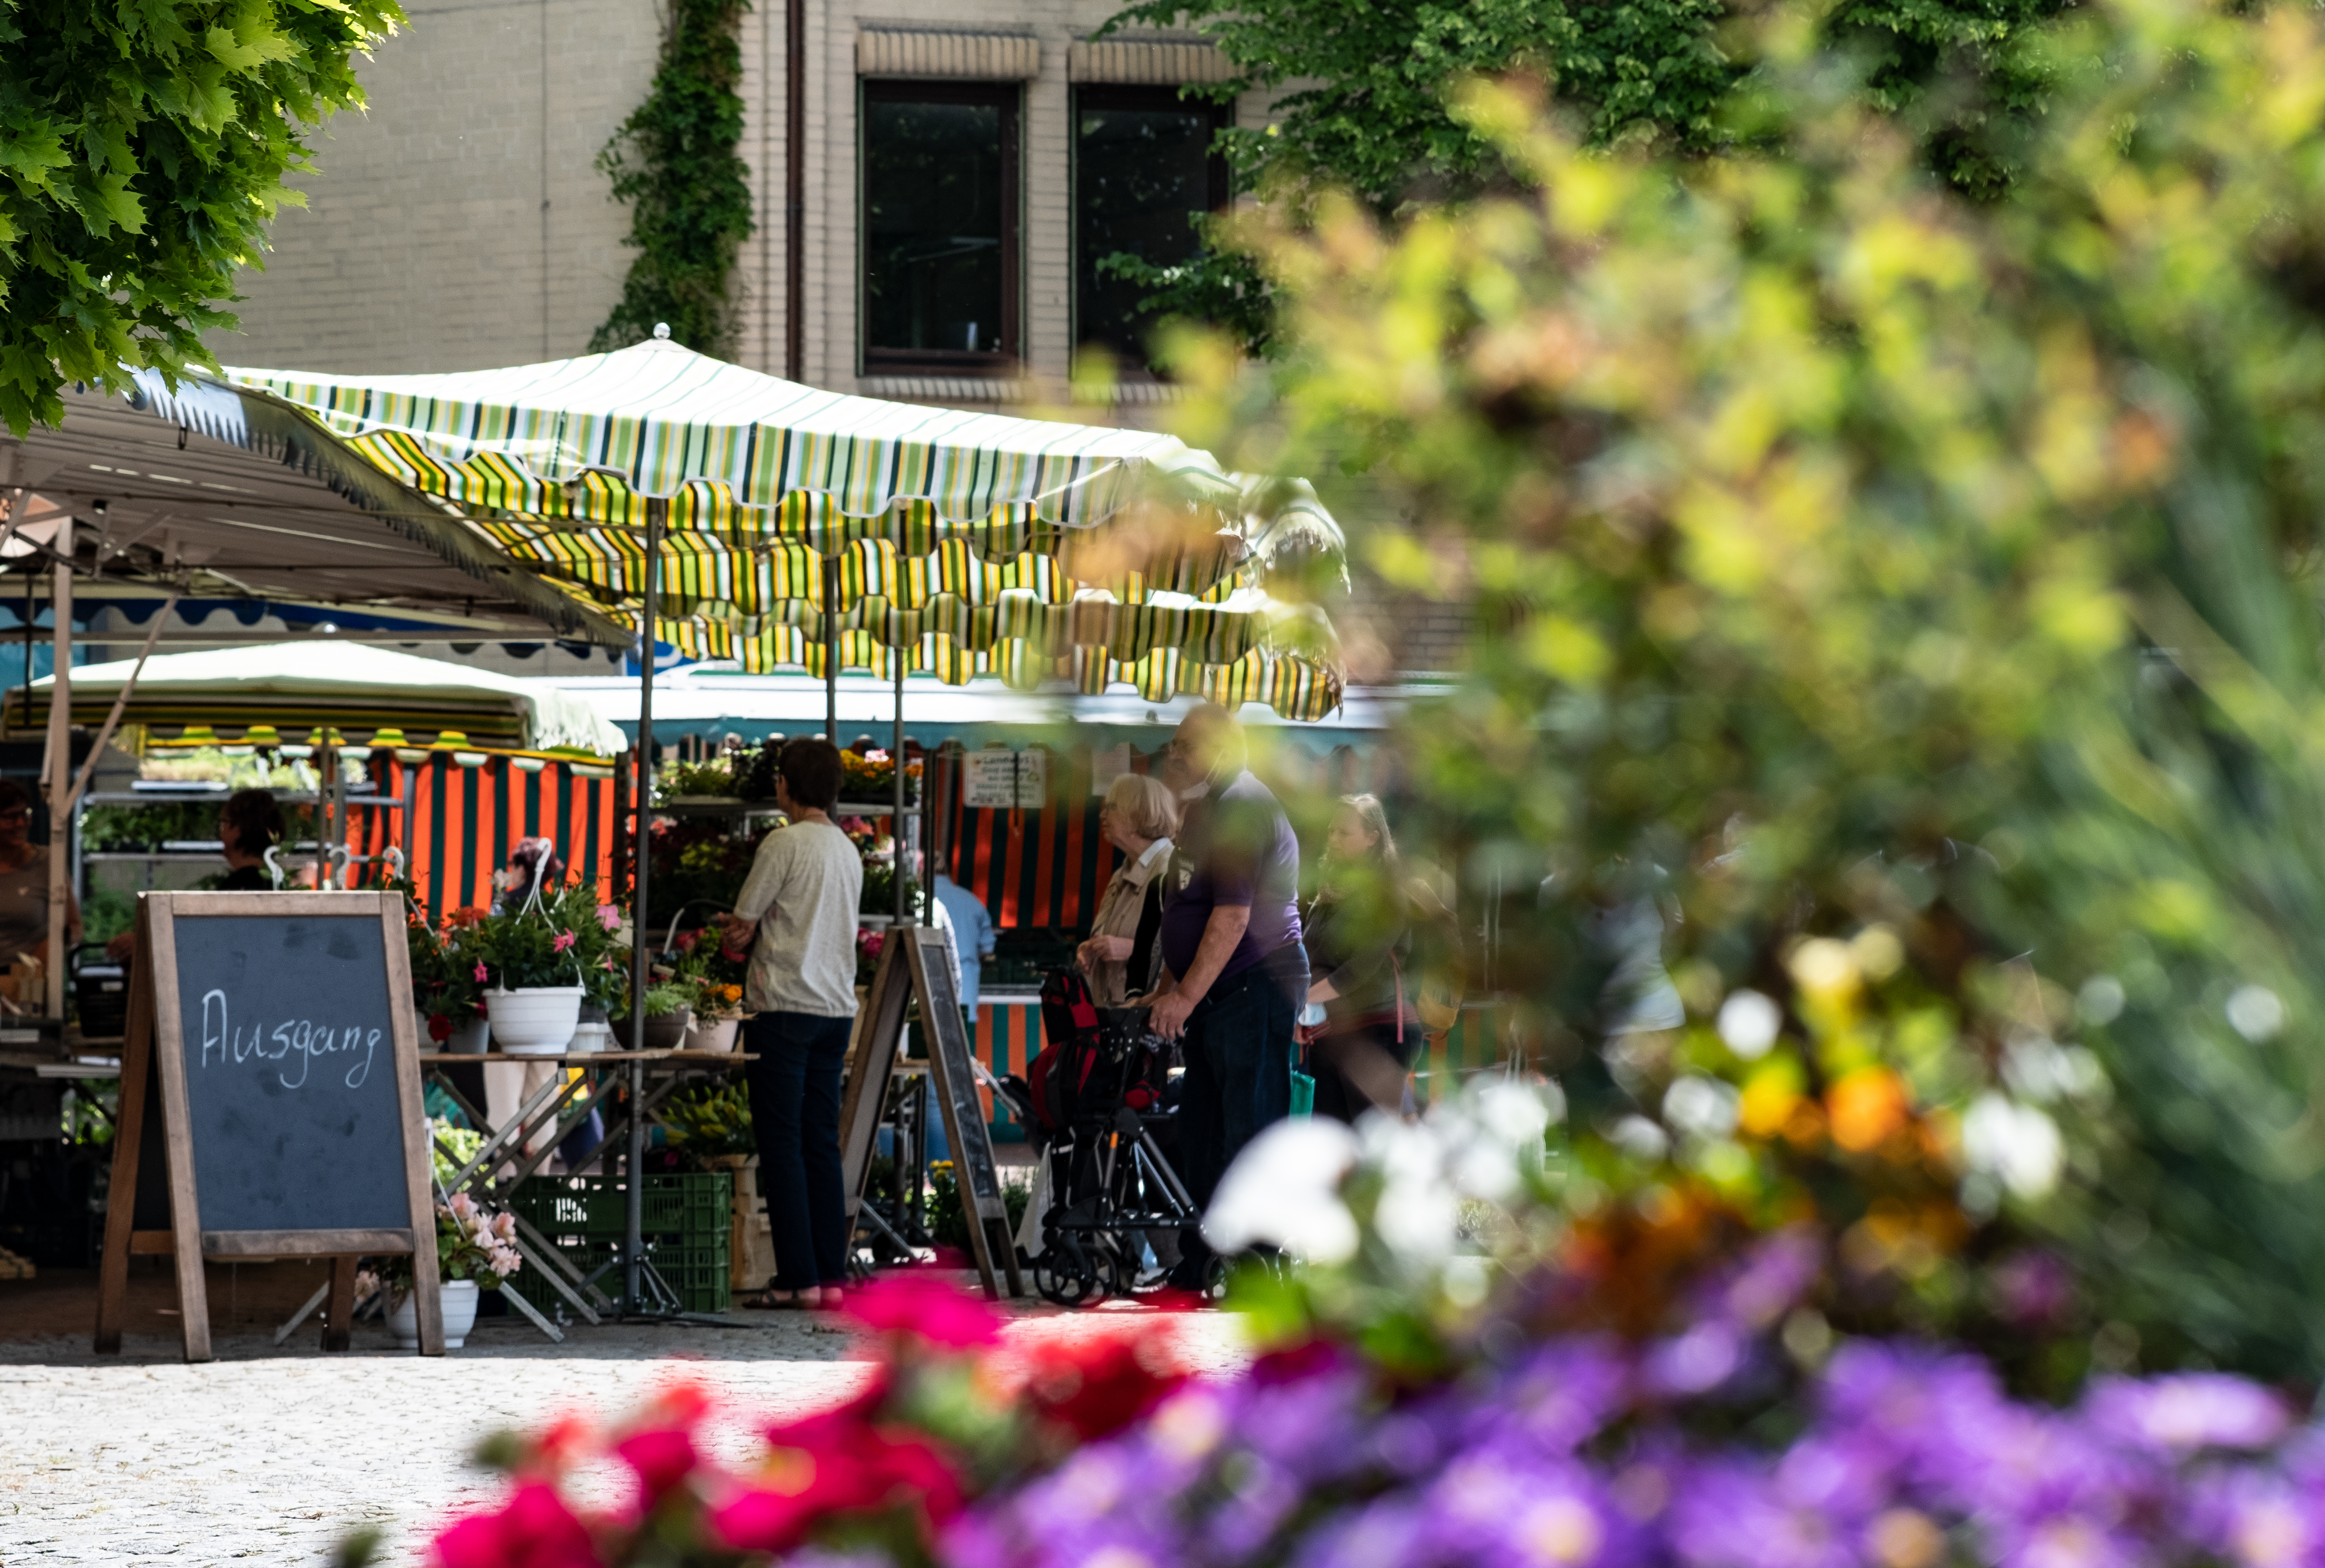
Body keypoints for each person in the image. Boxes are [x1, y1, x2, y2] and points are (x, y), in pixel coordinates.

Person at [1144, 703, 1305, 1288]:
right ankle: (1203, 1261)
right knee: (1202, 1130)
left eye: (1184, 744)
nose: (1173, 752)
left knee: (1250, 1127)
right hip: (1218, 992)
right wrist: (1167, 990)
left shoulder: (1242, 805)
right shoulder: (1204, 807)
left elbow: (1232, 917)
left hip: (1253, 982)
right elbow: (1182, 909)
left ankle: (1257, 1268)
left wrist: (1182, 998)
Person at [715, 739, 862, 1311]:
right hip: (835, 1011)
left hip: (782, 1006)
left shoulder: (783, 842)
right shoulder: (847, 849)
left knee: (782, 1143)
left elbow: (743, 925)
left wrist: (731, 928)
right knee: (820, 1142)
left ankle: (796, 1277)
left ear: (784, 784)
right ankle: (830, 1275)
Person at [1300, 795, 1420, 1123]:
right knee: (1333, 1142)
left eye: (1344, 833)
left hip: (1377, 1030)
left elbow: (1358, 971)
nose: (1333, 839)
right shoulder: (1328, 892)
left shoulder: (1387, 893)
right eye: (1331, 831)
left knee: (1378, 1144)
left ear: (1372, 838)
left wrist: (1301, 1003)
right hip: (1330, 1032)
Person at [1074, 772, 1179, 1006]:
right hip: (1115, 1013)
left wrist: (1129, 948)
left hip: (1148, 1016)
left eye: (1111, 807)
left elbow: (1187, 950)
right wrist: (1089, 950)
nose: (1102, 815)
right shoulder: (1122, 873)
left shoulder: (1172, 868)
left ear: (1139, 816)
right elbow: (1103, 937)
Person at [0, 778, 80, 974]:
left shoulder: (48, 861)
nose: (21, 823)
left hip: (28, 978)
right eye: (10, 817)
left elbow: (75, 925)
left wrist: (55, 942)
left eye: (25, 814)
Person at [932, 869, 994, 1025]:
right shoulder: (970, 899)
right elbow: (987, 947)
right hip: (965, 975)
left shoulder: (920, 897)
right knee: (961, 1029)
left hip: (930, 972)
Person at [215, 789, 283, 892]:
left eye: (224, 823)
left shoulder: (238, 886)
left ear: (238, 829)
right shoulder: (275, 883)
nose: (221, 833)